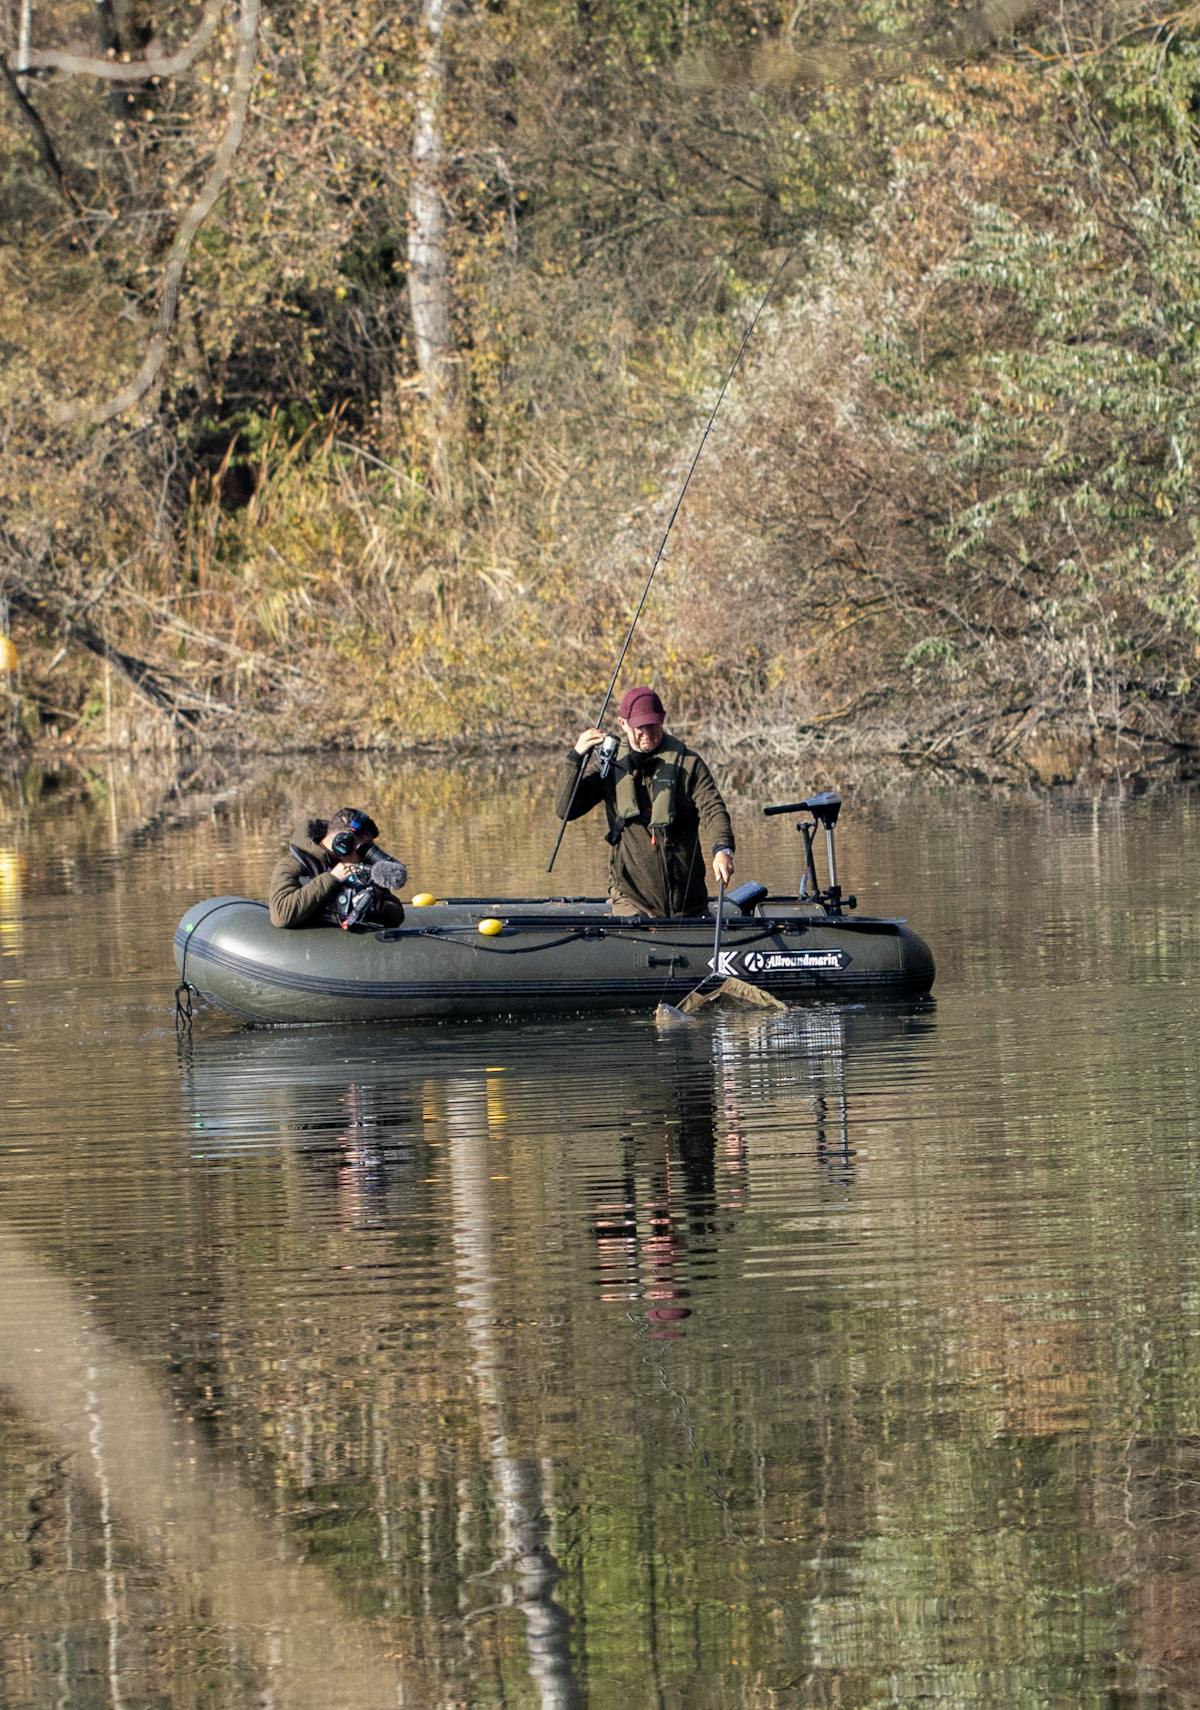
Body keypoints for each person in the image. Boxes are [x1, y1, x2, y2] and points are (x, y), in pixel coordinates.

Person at [555, 686, 735, 918]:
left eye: (653, 725)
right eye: (640, 727)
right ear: (623, 723)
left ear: (662, 720)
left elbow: (713, 809)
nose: (648, 733)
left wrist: (723, 849)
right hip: (632, 900)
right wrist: (575, 758)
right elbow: (566, 809)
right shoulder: (608, 768)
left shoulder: (689, 764)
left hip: (689, 903)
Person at [268, 806, 406, 929]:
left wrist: (372, 906)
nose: (364, 855)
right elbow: (281, 915)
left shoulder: (360, 867)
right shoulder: (293, 864)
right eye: (362, 847)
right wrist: (332, 878)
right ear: (343, 843)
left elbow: (397, 914)